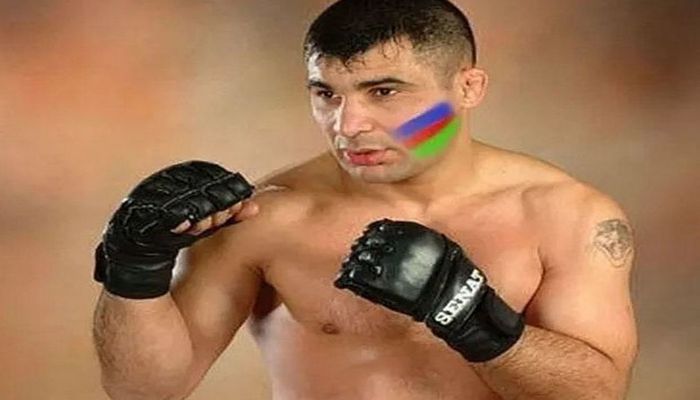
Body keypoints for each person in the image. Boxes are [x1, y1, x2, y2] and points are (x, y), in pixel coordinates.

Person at [92, 0, 638, 399]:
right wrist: (132, 269)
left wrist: (474, 320)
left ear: (468, 88)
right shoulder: (269, 215)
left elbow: (598, 393)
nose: (348, 124)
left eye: (384, 91)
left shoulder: (565, 215)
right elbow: (144, 391)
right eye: (326, 94)